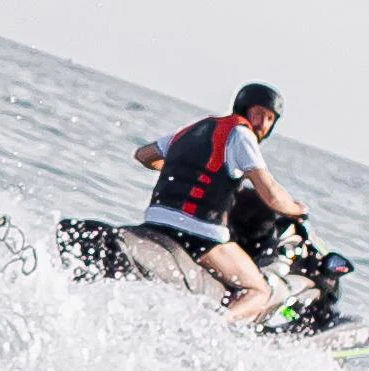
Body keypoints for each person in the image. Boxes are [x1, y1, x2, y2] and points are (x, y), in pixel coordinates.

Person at [124, 84, 306, 315]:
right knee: (260, 290)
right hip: (198, 235)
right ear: (244, 109)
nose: (262, 123)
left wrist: (181, 171)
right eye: (259, 114)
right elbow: (270, 193)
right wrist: (295, 209)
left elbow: (143, 155)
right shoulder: (241, 135)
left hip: (154, 223)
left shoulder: (195, 129)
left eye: (270, 118)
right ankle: (217, 329)